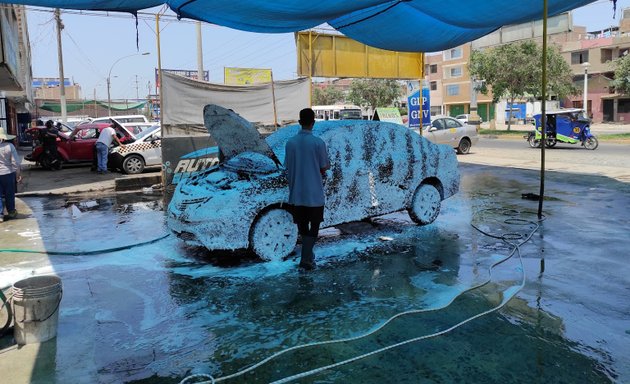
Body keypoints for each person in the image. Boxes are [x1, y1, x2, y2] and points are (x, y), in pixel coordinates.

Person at [284, 108, 330, 270]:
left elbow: (287, 167)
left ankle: (308, 257)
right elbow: (324, 167)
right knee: (315, 226)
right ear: (313, 122)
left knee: (302, 226)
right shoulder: (318, 143)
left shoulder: (290, 144)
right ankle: (305, 259)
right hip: (315, 193)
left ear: (299, 122)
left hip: (296, 193)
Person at [0, 127, 22, 222]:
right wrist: (18, 174)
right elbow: (15, 162)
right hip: (8, 173)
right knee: (9, 194)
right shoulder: (10, 146)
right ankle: (11, 212)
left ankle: (0, 215)